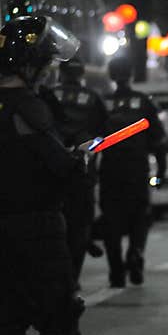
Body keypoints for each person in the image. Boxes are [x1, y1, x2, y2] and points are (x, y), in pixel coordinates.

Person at [0, 15, 117, 335]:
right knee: (59, 318)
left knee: (7, 322)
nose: (49, 70)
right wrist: (81, 158)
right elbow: (62, 169)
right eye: (44, 63)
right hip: (37, 229)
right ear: (28, 66)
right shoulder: (30, 108)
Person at [98, 56, 167, 288]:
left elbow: (92, 140)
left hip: (110, 171)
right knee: (140, 217)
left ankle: (116, 271)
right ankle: (136, 252)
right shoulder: (144, 102)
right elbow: (158, 141)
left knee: (111, 222)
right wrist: (162, 171)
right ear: (132, 73)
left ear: (110, 74)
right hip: (137, 170)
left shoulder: (102, 103)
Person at [48, 57, 108, 285]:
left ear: (60, 74)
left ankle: (58, 276)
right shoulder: (93, 99)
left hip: (53, 171)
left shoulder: (48, 96)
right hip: (82, 172)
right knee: (80, 225)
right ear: (82, 74)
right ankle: (73, 277)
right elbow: (105, 133)